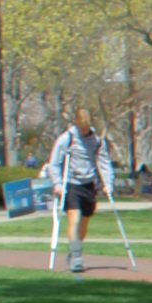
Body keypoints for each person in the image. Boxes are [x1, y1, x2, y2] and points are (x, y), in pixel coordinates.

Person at [45, 108, 116, 274]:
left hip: (89, 184)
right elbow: (54, 163)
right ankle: (77, 258)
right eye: (81, 127)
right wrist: (57, 183)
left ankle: (74, 250)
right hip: (71, 184)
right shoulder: (67, 138)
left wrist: (108, 183)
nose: (83, 131)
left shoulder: (97, 141)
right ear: (77, 123)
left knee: (84, 222)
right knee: (74, 218)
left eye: (86, 128)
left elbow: (104, 163)